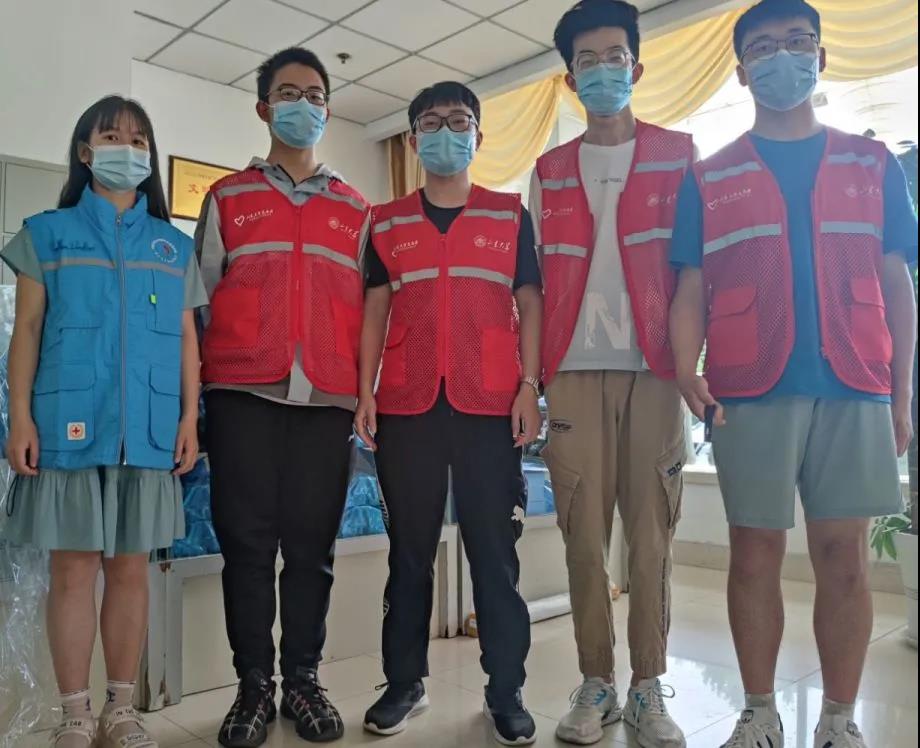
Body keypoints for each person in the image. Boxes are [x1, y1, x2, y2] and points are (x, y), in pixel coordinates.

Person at [668, 1, 919, 746]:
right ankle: (757, 712)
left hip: (854, 381)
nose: (783, 57)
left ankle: (838, 720)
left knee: (845, 557)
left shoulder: (871, 163)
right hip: (749, 386)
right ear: (743, 73)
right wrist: (685, 368)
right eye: (764, 48)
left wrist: (902, 393)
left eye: (797, 42)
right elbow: (690, 285)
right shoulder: (709, 176)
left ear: (821, 57)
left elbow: (897, 280)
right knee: (754, 554)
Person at [1, 96, 205, 748]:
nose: (128, 148)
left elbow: (186, 340)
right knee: (72, 571)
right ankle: (75, 714)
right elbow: (27, 331)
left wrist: (190, 417)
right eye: (113, 136)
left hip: (146, 429)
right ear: (86, 152)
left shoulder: (173, 247)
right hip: (67, 424)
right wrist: (19, 417)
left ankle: (121, 710)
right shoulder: (47, 235)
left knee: (129, 570)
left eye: (139, 139)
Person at [354, 81, 543, 746]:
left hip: (489, 404)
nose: (445, 133)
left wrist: (530, 386)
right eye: (431, 123)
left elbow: (530, 303)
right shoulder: (386, 221)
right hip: (407, 404)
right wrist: (365, 389)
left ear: (478, 136)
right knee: (409, 554)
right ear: (412, 141)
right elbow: (375, 308)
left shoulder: (509, 215)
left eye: (458, 121)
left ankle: (505, 689)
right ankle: (404, 683)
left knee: (495, 554)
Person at [531, 2, 694, 745]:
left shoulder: (678, 154)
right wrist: (533, 379)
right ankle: (595, 681)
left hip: (656, 370)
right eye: (587, 61)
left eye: (614, 56)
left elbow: (696, 270)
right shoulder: (548, 170)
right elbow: (534, 285)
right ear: (571, 79)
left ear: (637, 65)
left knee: (652, 536)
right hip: (572, 370)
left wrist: (690, 363)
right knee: (582, 539)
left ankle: (647, 685)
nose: (603, 70)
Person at [196, 47, 370, 747]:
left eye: (317, 94)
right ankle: (252, 687)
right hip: (242, 395)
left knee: (311, 550)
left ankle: (302, 678)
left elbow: (371, 314)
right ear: (265, 107)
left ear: (328, 109)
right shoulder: (227, 198)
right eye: (290, 93)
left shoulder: (355, 209)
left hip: (326, 402)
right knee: (245, 549)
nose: (305, 105)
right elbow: (197, 307)